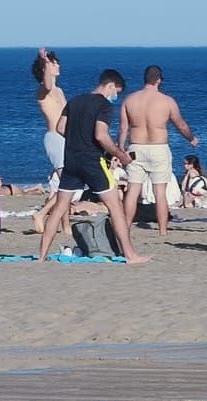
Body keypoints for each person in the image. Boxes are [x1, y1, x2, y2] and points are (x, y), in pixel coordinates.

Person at [37, 69, 147, 264]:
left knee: (59, 208)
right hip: (92, 162)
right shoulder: (104, 105)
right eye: (117, 92)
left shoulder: (75, 101)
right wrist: (121, 155)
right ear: (111, 85)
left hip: (71, 160)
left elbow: (61, 128)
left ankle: (41, 256)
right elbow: (101, 135)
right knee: (115, 207)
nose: (115, 97)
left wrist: (76, 139)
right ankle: (130, 255)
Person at [120, 66, 198, 237]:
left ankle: (124, 228)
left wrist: (121, 150)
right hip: (158, 148)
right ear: (159, 80)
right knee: (159, 193)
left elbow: (123, 128)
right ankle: (163, 231)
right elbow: (181, 124)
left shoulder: (130, 100)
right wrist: (191, 139)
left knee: (133, 191)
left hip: (136, 147)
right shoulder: (167, 101)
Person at [33, 48, 66, 196]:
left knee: (67, 184)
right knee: (66, 183)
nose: (58, 65)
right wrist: (45, 62)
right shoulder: (42, 91)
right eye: (54, 64)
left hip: (66, 137)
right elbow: (47, 85)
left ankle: (63, 219)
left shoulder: (59, 91)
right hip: (55, 138)